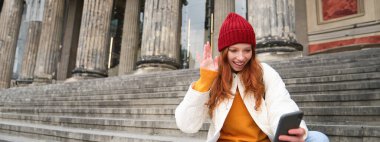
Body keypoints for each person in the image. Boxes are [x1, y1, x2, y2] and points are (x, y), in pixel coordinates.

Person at [175, 13, 329, 142]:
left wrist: (296, 130)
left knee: (318, 138)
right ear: (224, 52)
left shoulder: (264, 72)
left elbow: (281, 104)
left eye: (247, 50)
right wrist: (204, 81)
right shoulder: (213, 77)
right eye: (234, 50)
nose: (241, 57)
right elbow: (186, 125)